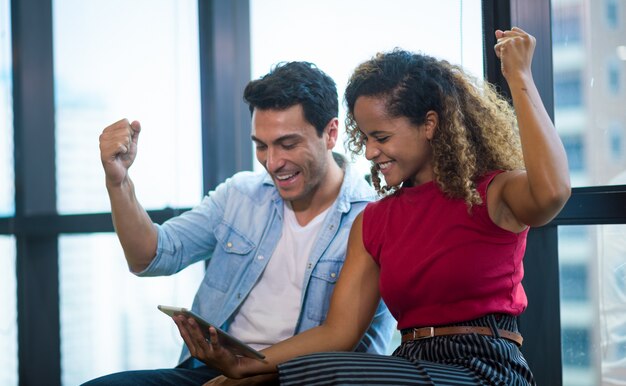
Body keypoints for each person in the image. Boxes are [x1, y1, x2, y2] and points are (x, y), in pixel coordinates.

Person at [174, 27, 571, 385]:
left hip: (485, 368)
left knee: (324, 375)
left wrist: (519, 77)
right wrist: (246, 367)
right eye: (363, 137)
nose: (369, 151)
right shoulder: (375, 220)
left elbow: (552, 192)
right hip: (411, 362)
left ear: (429, 124)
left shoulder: (494, 193)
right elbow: (338, 333)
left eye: (380, 136)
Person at [84, 61, 395, 386]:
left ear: (331, 133)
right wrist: (118, 182)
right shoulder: (240, 195)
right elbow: (149, 257)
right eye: (261, 145)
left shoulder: (372, 216)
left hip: (303, 379)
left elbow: (341, 340)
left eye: (288, 144)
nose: (272, 163)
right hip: (211, 374)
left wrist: (245, 376)